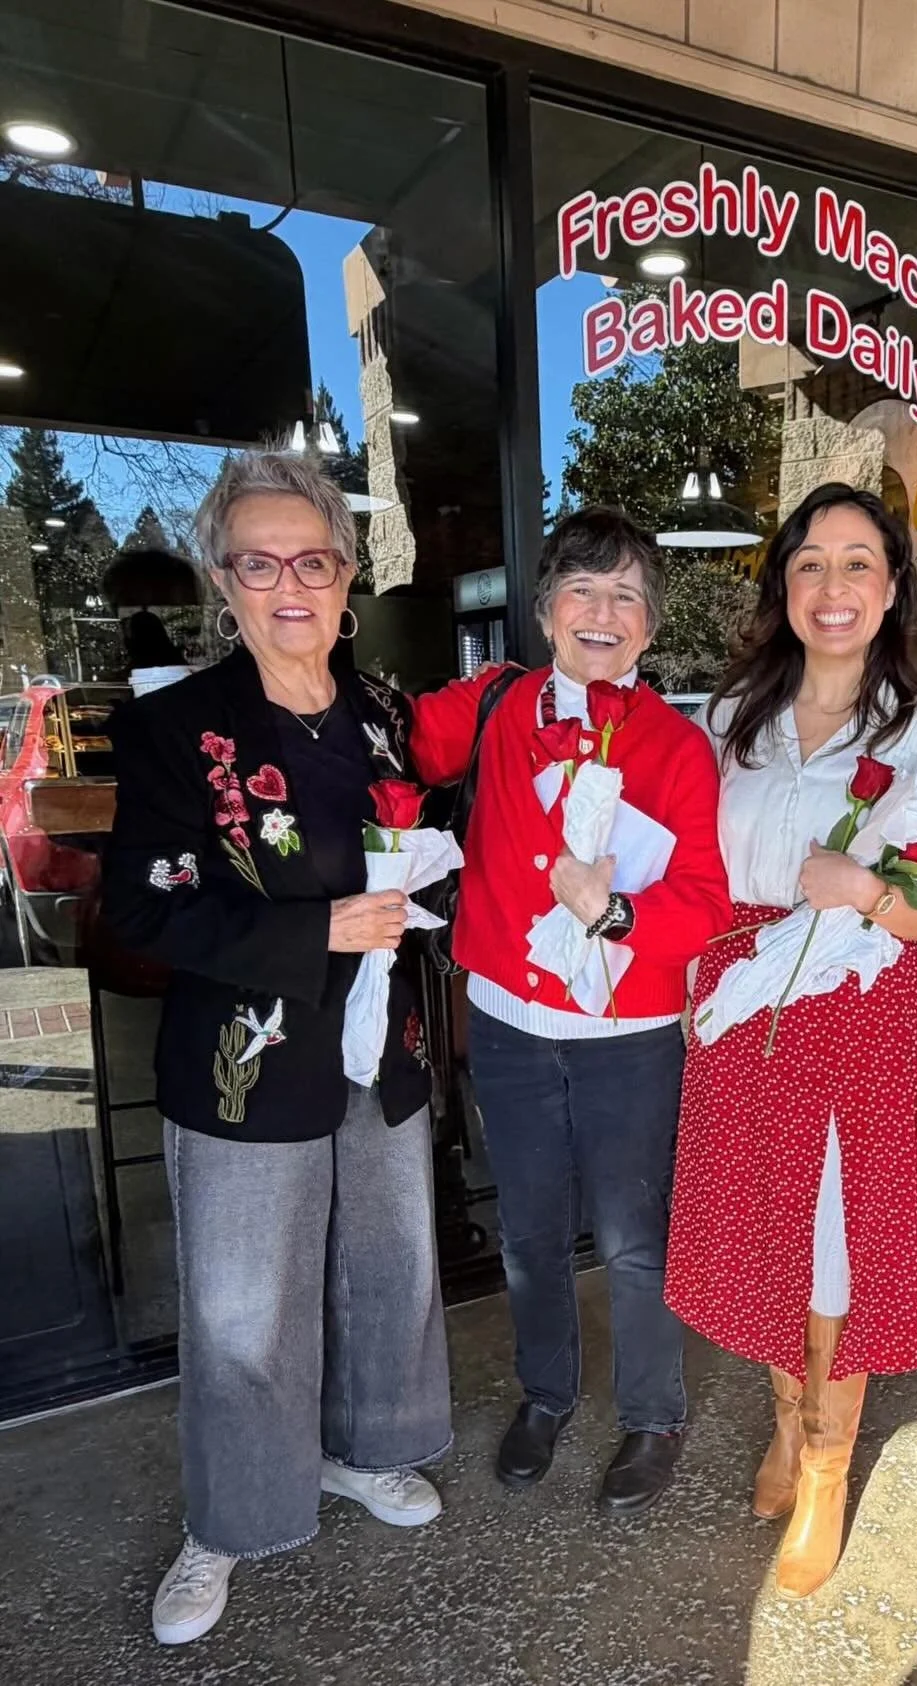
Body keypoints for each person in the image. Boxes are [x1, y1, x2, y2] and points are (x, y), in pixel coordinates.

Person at [103, 452, 450, 1646]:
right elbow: (143, 910)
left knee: (388, 1265)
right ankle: (231, 1516)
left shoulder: (386, 715)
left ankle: (366, 1449)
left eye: (312, 558)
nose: (288, 584)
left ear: (346, 574)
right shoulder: (168, 729)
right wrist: (320, 928)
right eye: (261, 562)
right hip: (241, 1060)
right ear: (223, 579)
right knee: (244, 1312)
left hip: (379, 1047)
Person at [664, 482, 917, 1600]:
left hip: (855, 1004)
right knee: (760, 1231)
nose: (831, 587)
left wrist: (864, 890)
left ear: (891, 591)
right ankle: (787, 1426)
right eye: (809, 564)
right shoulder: (732, 714)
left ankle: (829, 1466)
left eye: (856, 564)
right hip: (743, 996)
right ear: (783, 585)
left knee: (834, 1244)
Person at [409, 507, 730, 1516]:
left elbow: (709, 902)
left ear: (648, 625)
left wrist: (620, 907)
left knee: (634, 1240)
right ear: (546, 610)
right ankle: (546, 1394)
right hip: (507, 1025)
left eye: (627, 595)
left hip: (627, 1045)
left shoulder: (679, 746)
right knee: (529, 1233)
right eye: (583, 590)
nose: (603, 612)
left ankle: (654, 1414)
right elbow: (401, 746)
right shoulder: (498, 705)